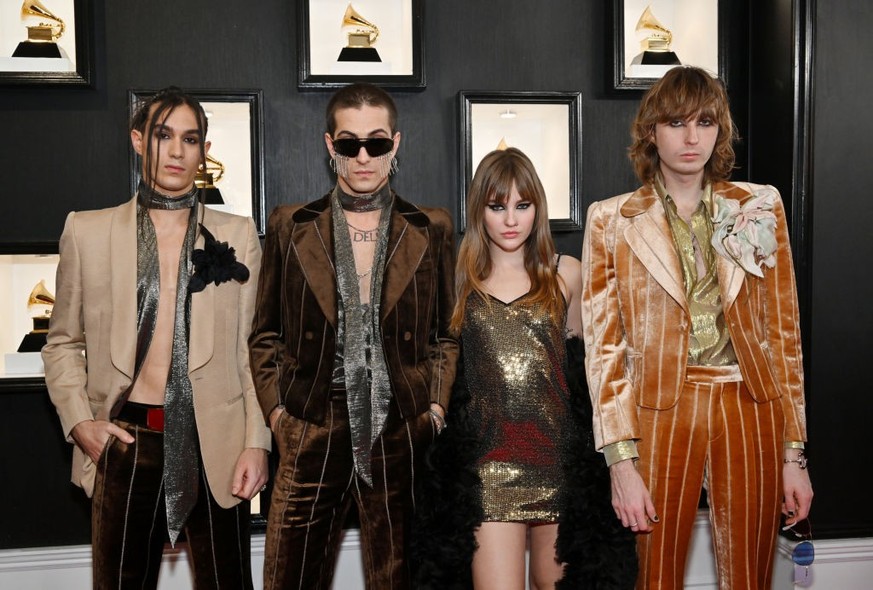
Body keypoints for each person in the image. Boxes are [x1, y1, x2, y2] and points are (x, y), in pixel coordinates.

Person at [580, 66, 813, 589]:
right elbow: (604, 350)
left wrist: (794, 454)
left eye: (705, 122)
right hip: (659, 410)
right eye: (676, 122)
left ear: (720, 130)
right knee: (652, 578)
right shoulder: (610, 220)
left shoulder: (759, 205)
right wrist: (620, 462)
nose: (691, 137)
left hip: (751, 405)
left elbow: (784, 335)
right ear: (651, 131)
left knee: (750, 577)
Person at [41, 86, 270, 589]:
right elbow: (60, 344)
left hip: (217, 444)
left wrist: (257, 441)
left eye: (190, 139)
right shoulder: (87, 231)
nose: (176, 151)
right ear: (139, 140)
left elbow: (252, 351)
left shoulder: (239, 233)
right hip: (125, 442)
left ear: (204, 152)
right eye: (164, 135)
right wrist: (80, 423)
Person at [249, 82, 458, 589]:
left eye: (377, 143)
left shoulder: (431, 228)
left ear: (396, 143)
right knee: (289, 578)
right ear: (329, 146)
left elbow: (447, 335)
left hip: (400, 426)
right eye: (349, 144)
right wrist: (280, 416)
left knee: (400, 578)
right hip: (311, 423)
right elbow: (265, 334)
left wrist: (434, 409)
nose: (363, 157)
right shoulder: (289, 225)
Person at [412, 148, 637, 590]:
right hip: (488, 472)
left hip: (560, 466)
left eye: (522, 205)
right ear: (479, 211)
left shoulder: (566, 274)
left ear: (539, 207)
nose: (511, 219)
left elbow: (589, 373)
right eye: (497, 207)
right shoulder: (459, 284)